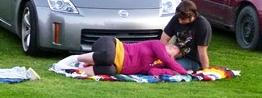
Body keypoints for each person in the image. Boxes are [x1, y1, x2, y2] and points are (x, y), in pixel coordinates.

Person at [54, 37, 188, 76]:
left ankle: (70, 70)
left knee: (110, 71)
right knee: (107, 58)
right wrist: (184, 72)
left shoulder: (160, 63)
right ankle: (73, 59)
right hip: (111, 45)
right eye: (171, 45)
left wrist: (172, 71)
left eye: (173, 49)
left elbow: (153, 72)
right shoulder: (157, 44)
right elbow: (165, 58)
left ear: (173, 58)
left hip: (116, 65)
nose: (170, 46)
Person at [161, 0, 212, 71]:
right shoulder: (176, 18)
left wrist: (206, 70)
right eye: (179, 18)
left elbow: (202, 50)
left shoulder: (202, 25)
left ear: (192, 16)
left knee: (170, 67)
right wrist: (165, 56)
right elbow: (164, 39)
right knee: (157, 63)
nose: (180, 21)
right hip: (176, 55)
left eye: (183, 19)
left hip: (192, 60)